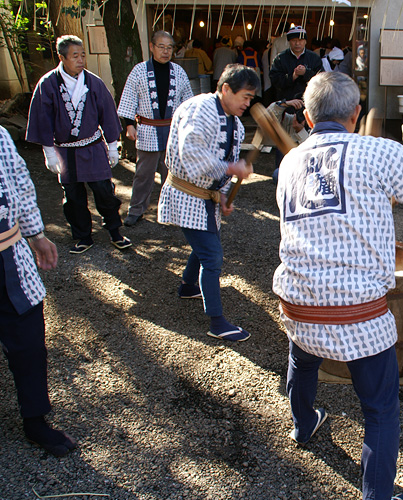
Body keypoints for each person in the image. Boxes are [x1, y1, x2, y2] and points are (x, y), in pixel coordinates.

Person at [274, 72, 403, 500]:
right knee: (380, 410)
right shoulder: (378, 151)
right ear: (355, 113)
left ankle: (303, 423)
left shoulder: (290, 160)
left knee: (305, 359)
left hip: (298, 303)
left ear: (309, 116)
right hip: (357, 314)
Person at [157, 64, 256, 342]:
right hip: (186, 193)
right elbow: (192, 154)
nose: (248, 104)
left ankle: (188, 286)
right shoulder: (198, 109)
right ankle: (217, 322)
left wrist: (223, 194)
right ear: (226, 89)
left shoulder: (234, 121)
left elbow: (225, 160)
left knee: (206, 242)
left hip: (206, 197)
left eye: (251, 99)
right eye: (245, 97)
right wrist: (231, 169)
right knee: (212, 256)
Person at [0, 125, 76, 456]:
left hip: (10, 253)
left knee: (30, 345)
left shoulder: (0, 135)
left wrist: (36, 235)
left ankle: (35, 420)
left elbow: (19, 182)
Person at [26, 35, 130, 254]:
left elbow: (108, 115)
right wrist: (49, 153)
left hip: (93, 147)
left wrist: (112, 145)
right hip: (65, 150)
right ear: (62, 57)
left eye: (83, 55)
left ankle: (114, 231)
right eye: (75, 56)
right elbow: (42, 120)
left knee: (104, 191)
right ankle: (83, 236)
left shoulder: (93, 82)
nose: (81, 60)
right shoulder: (47, 84)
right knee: (73, 196)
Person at [118, 31, 193, 227]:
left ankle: (174, 211)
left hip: (172, 131)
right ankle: (136, 210)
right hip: (148, 130)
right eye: (161, 46)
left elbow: (188, 103)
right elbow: (128, 99)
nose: (166, 51)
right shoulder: (139, 71)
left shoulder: (179, 72)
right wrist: (129, 125)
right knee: (143, 174)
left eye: (169, 47)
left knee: (174, 175)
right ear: (152, 47)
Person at [269, 26, 322, 102]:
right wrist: (292, 77)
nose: (297, 43)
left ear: (305, 41)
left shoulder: (314, 58)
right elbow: (275, 80)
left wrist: (306, 73)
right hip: (287, 101)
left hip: (309, 102)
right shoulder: (280, 58)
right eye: (294, 40)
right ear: (289, 41)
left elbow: (321, 79)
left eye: (300, 40)